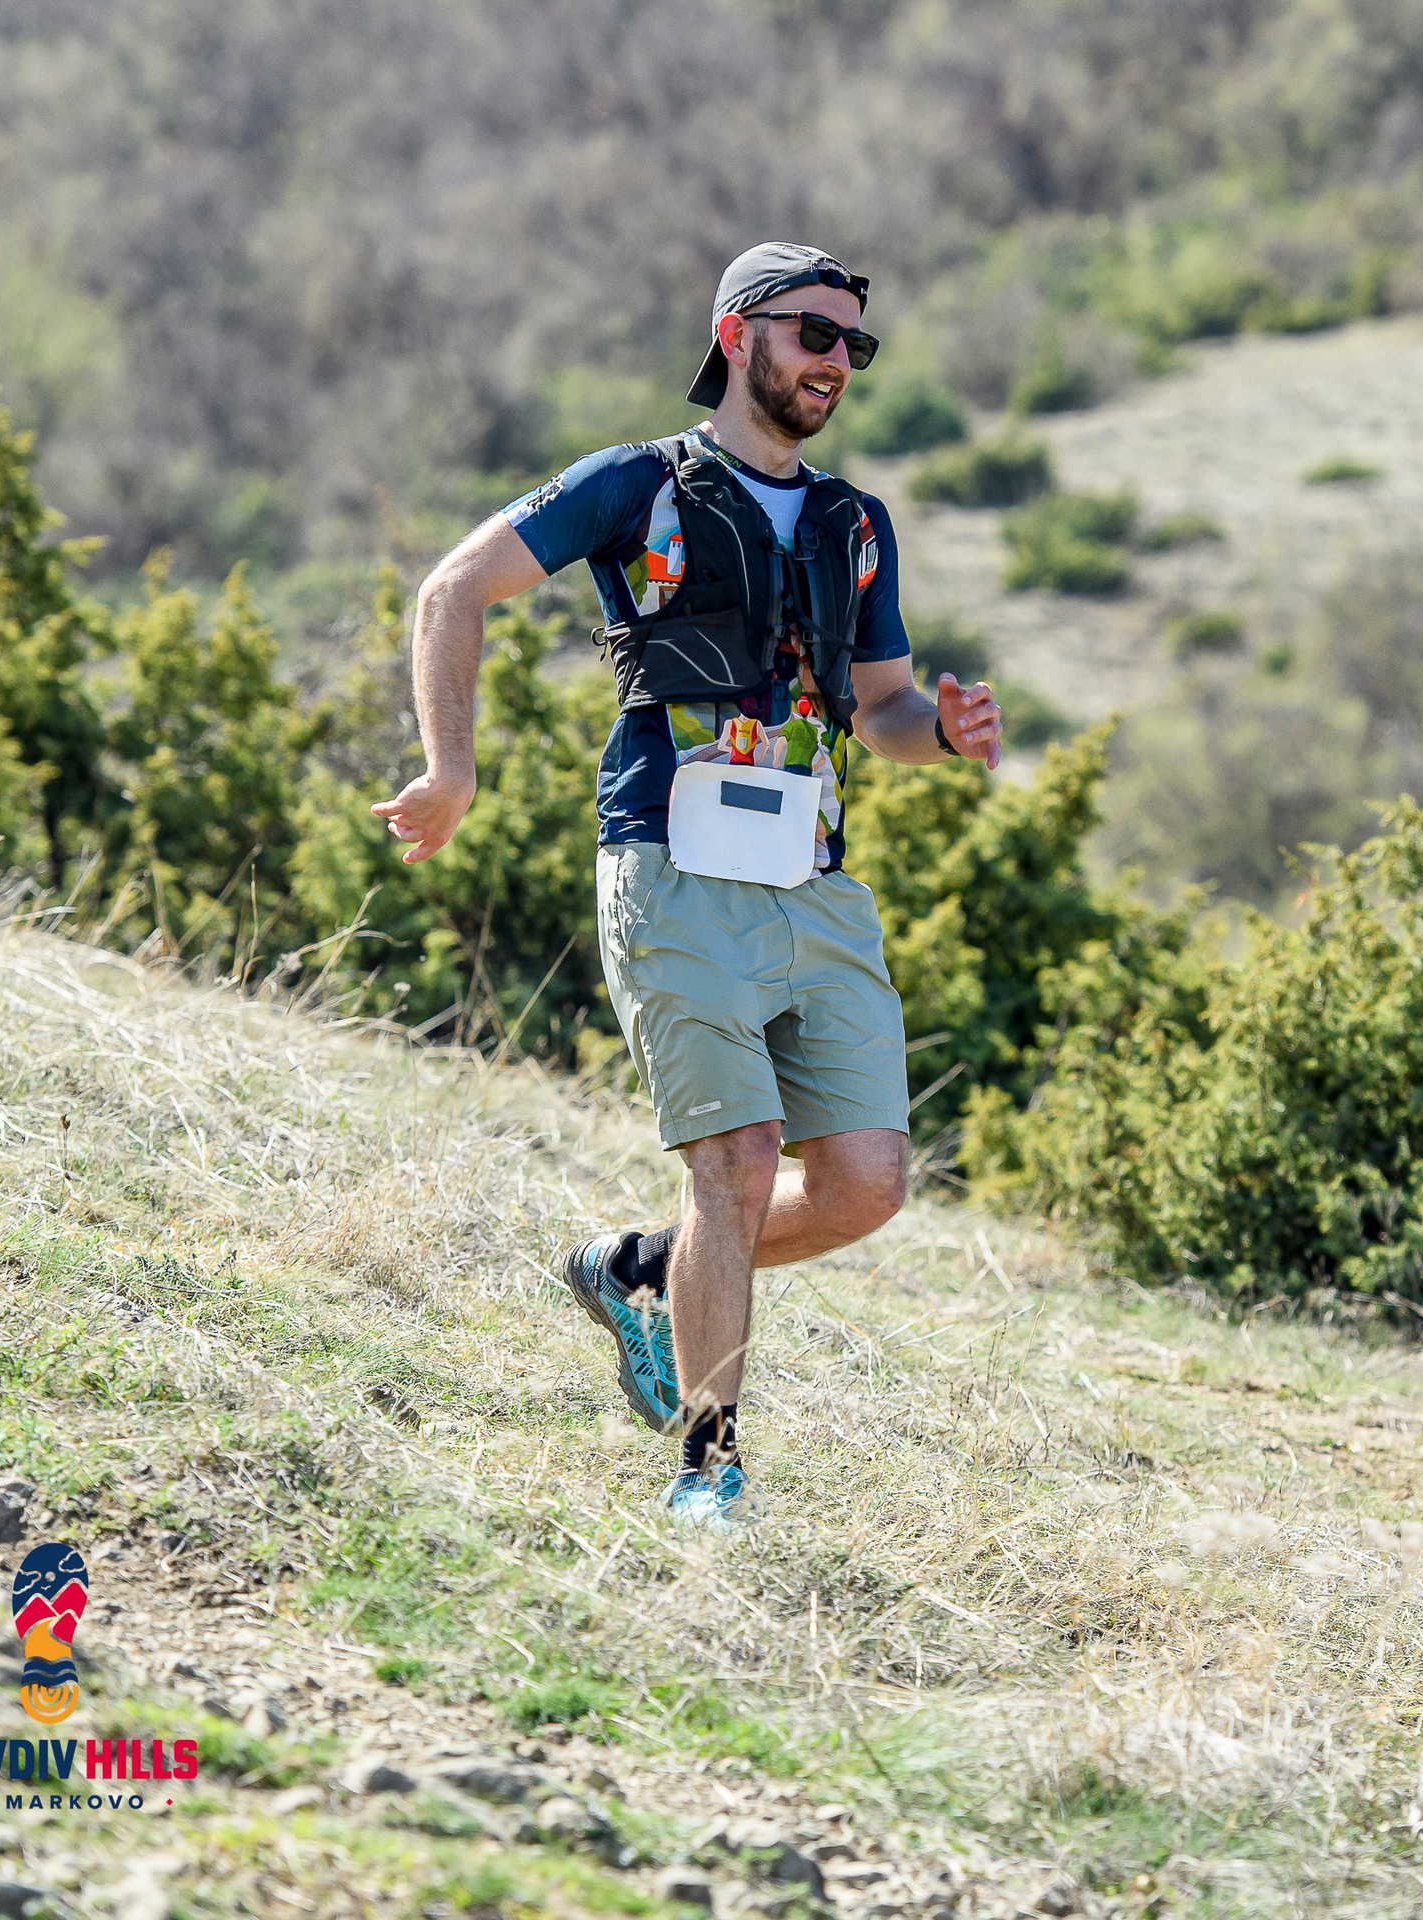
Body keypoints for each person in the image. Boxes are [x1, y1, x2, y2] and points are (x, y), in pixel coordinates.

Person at [372, 243, 1004, 1527]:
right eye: (814, 334)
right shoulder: (632, 484)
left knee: (865, 1184)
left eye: (853, 345)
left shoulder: (854, 524)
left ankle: (638, 1269)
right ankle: (708, 1468)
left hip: (815, 877)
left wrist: (936, 734)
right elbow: (453, 589)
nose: (836, 361)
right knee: (736, 1160)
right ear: (737, 333)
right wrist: (451, 771)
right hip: (671, 862)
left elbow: (877, 704)